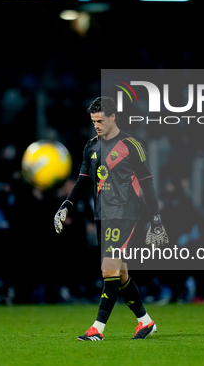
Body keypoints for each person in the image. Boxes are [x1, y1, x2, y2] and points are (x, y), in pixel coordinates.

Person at [54, 96, 167, 341]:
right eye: (93, 120)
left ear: (113, 117)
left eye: (101, 120)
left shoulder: (131, 146)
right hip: (102, 215)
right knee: (120, 274)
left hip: (125, 214)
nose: (96, 125)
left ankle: (97, 329)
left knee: (108, 270)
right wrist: (67, 204)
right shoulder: (91, 147)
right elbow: (84, 180)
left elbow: (148, 186)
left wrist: (156, 220)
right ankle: (145, 322)